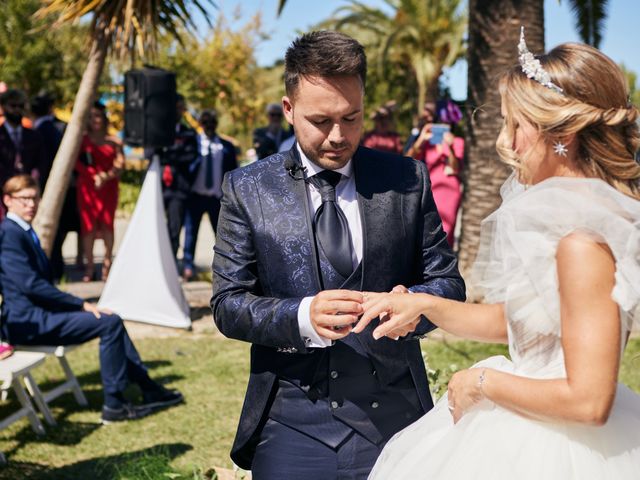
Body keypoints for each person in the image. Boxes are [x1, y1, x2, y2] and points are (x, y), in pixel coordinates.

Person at [356, 32, 640, 479]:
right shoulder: (572, 222)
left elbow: (588, 401)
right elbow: (527, 321)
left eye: (516, 126)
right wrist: (425, 304)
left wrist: (482, 383)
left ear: (561, 133)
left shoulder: (582, 243)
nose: (505, 144)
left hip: (558, 448)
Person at [211, 31, 465, 479]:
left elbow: (448, 283)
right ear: (289, 109)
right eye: (321, 120)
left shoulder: (407, 179)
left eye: (352, 118)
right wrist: (302, 316)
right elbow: (228, 304)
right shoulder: (247, 188)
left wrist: (418, 307)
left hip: (395, 415)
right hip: (291, 418)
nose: (338, 135)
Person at [0, 174, 183, 423]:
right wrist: (80, 304)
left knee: (110, 319)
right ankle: (115, 405)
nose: (31, 204)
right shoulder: (10, 233)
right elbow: (31, 286)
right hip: (29, 321)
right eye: (24, 199)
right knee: (109, 322)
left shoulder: (21, 229)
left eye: (34, 198)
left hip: (43, 314)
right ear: (8, 200)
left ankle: (146, 388)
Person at [182, 109, 237, 281]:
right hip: (196, 196)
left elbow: (233, 171)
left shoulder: (224, 146)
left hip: (216, 198)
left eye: (212, 122)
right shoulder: (193, 143)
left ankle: (225, 267)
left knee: (221, 234)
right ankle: (188, 265)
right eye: (205, 123)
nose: (209, 126)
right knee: (191, 233)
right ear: (200, 124)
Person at [31, 93, 80, 281]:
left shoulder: (44, 131)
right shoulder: (60, 127)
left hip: (48, 187)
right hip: (61, 187)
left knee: (52, 229)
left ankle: (53, 271)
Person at [75, 101, 123, 282]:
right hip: (88, 187)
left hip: (108, 187)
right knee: (88, 226)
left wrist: (106, 176)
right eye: (91, 116)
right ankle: (89, 267)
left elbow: (120, 164)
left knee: (107, 224)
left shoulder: (115, 140)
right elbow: (76, 162)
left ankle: (107, 263)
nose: (95, 120)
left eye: (98, 116)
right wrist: (93, 175)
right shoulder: (82, 139)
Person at [406, 99, 464, 247]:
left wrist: (449, 147)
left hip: (449, 190)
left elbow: (455, 167)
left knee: (446, 230)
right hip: (429, 189)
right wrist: (420, 140)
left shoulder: (458, 142)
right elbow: (406, 161)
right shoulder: (428, 143)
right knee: (425, 229)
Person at [155, 94, 198, 260]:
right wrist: (176, 153)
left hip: (178, 189)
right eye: (176, 107)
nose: (179, 111)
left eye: (181, 108)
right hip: (159, 187)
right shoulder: (157, 131)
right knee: (155, 227)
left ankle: (170, 262)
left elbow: (190, 156)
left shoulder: (188, 133)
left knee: (174, 228)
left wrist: (168, 155)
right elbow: (151, 154)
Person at [0, 89, 46, 219]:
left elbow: (41, 163)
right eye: (13, 106)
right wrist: (13, 186)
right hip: (4, 196)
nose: (17, 110)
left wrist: (31, 182)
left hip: (28, 197)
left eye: (20, 106)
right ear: (3, 107)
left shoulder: (34, 135)